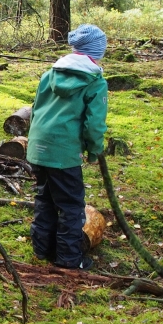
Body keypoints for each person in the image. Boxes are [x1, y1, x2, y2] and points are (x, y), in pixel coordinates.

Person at [25, 24, 109, 271]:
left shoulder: (49, 74)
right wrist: (95, 150)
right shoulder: (95, 81)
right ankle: (70, 259)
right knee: (72, 207)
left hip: (38, 147)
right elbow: (95, 124)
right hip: (63, 152)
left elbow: (36, 108)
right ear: (97, 52)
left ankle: (43, 249)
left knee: (45, 198)